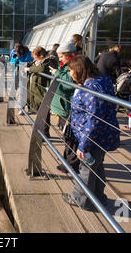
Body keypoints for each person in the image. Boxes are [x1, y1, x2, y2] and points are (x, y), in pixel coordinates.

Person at [61, 55, 120, 210]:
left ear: (79, 70)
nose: (70, 73)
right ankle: (99, 198)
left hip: (94, 138)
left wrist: (84, 145)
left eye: (71, 70)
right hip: (103, 135)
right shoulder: (103, 81)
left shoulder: (90, 88)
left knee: (86, 169)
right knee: (97, 167)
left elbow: (93, 119)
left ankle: (79, 199)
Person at [48, 39, 80, 173]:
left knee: (70, 137)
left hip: (66, 106)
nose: (59, 58)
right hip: (62, 106)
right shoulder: (66, 64)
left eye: (61, 56)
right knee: (67, 136)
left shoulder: (73, 65)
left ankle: (71, 164)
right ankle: (68, 162)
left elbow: (68, 82)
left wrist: (56, 72)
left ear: (68, 54)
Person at [24, 47, 58, 113]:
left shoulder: (48, 61)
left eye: (36, 57)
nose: (35, 59)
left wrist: (29, 69)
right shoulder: (38, 62)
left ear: (41, 55)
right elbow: (35, 66)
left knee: (44, 109)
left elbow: (41, 69)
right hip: (37, 89)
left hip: (43, 89)